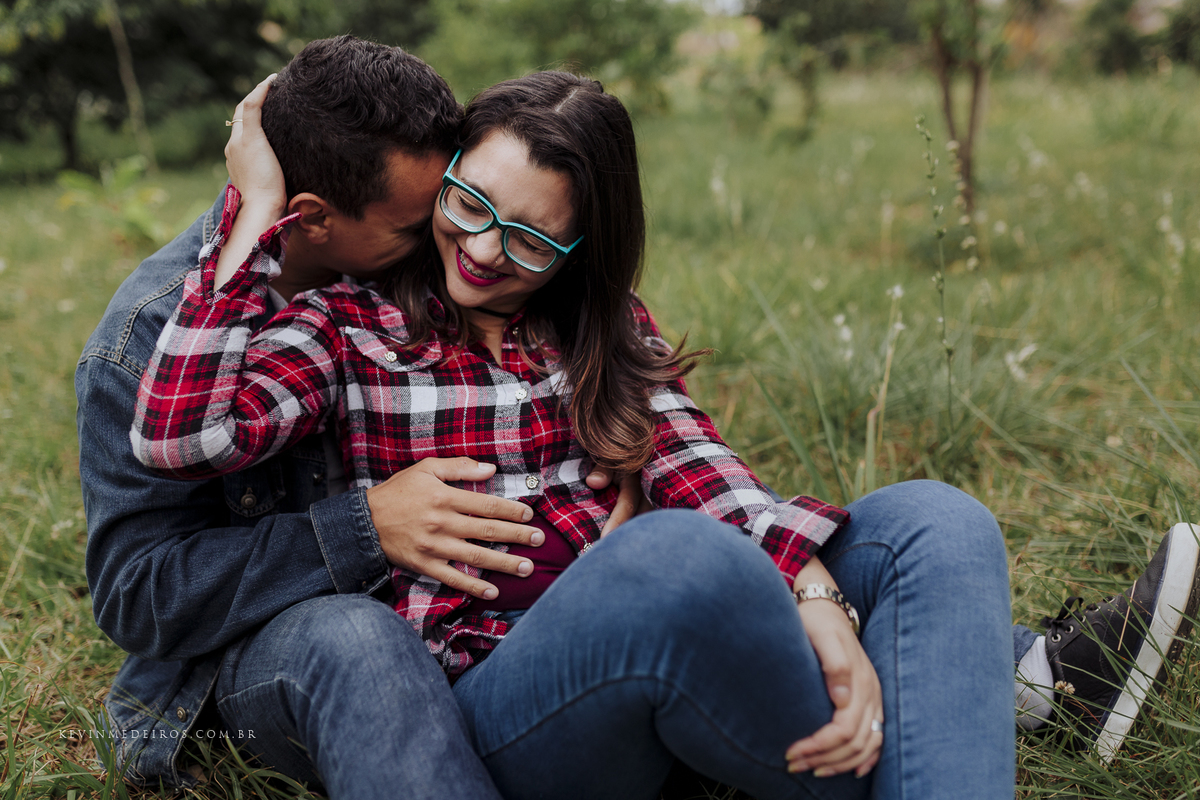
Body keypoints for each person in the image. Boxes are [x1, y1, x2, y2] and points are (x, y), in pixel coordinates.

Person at [78, 37, 640, 798]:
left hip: (447, 628)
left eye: (454, 194)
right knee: (358, 641)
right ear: (309, 217)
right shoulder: (141, 342)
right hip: (260, 668)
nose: (456, 240)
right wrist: (361, 529)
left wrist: (625, 479)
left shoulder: (428, 256)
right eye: (417, 226)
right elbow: (140, 596)